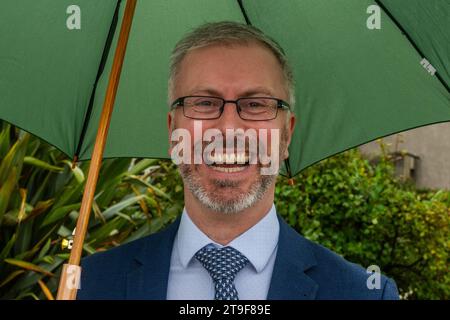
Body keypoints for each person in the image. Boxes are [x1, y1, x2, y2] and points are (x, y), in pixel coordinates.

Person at [78, 21, 399, 300]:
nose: (229, 128)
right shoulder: (90, 284)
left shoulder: (365, 293)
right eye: (204, 102)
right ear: (172, 129)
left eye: (256, 104)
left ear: (286, 135)